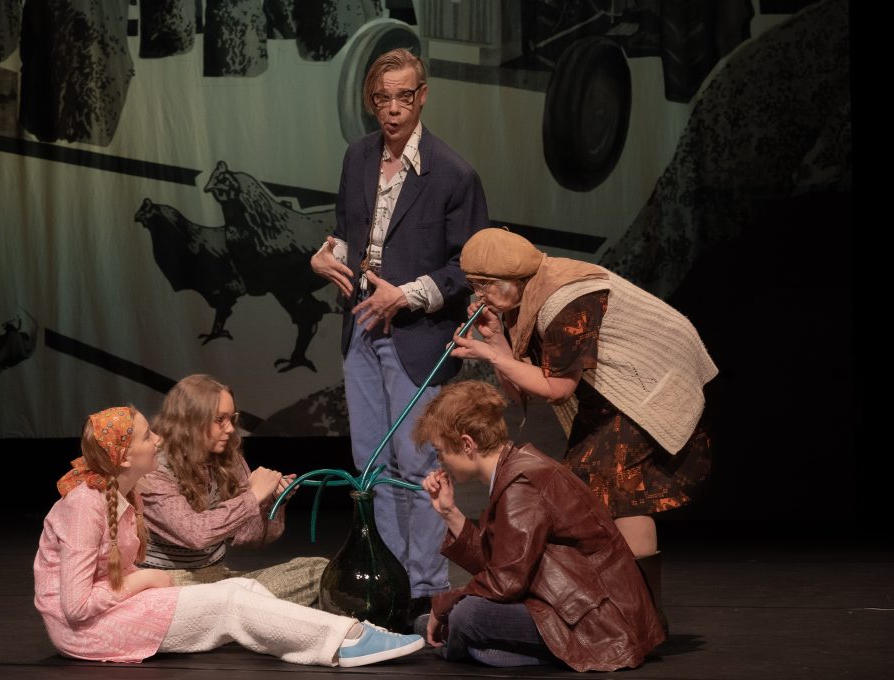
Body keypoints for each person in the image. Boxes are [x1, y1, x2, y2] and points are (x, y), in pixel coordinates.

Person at [449, 227, 717, 629]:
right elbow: (526, 386)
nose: (478, 294)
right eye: (473, 284)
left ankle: (639, 619)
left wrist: (492, 355)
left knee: (619, 490)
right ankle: (625, 613)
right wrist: (499, 345)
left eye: (484, 284)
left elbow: (557, 388)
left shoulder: (566, 300)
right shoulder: (525, 300)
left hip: (649, 388)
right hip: (609, 398)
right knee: (585, 490)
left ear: (511, 277)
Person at [33, 405, 424, 666]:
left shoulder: (126, 491)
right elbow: (76, 607)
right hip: (87, 632)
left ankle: (334, 634)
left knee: (245, 590)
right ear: (123, 456)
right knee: (231, 603)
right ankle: (345, 640)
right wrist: (143, 580)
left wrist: (269, 501)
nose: (158, 441)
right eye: (147, 437)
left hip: (115, 609)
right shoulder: (85, 505)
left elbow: (251, 536)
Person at [310, 47, 488, 616]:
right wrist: (325, 256)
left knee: (416, 466)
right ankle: (387, 584)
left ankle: (426, 588)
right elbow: (349, 234)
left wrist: (405, 294)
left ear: (422, 96)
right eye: (382, 98)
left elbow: (468, 267)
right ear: (372, 101)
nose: (393, 109)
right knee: (371, 463)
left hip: (417, 335)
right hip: (362, 328)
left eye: (403, 97)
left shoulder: (453, 174)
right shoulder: (358, 157)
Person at [415, 380, 663, 671]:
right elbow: (499, 567)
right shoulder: (513, 471)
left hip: (598, 622)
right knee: (444, 618)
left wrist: (446, 604)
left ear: (467, 444)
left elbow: (504, 583)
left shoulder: (521, 483)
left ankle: (466, 643)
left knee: (465, 615)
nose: (440, 461)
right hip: (561, 603)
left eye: (440, 451)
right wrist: (449, 512)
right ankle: (472, 645)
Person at [137, 374, 326, 605]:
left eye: (231, 418)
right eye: (220, 420)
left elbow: (249, 537)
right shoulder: (154, 468)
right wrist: (253, 496)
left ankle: (242, 609)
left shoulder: (227, 459)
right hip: (170, 584)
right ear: (191, 420)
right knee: (237, 601)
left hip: (217, 578)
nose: (229, 429)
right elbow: (196, 534)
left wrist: (272, 501)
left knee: (321, 570)